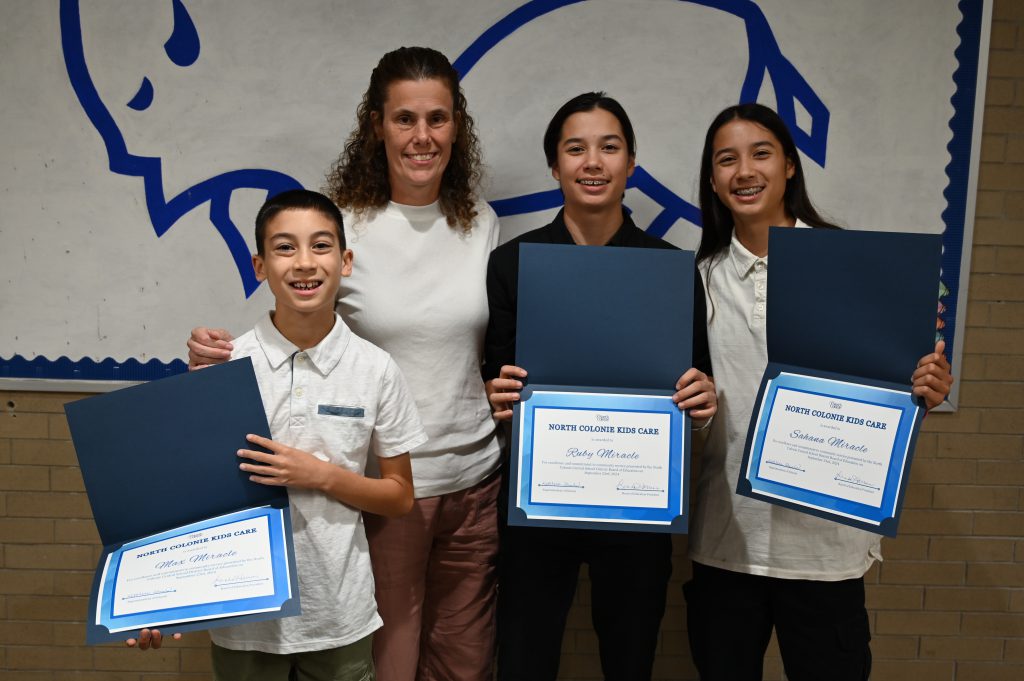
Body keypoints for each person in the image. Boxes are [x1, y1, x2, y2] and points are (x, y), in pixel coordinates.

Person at [188, 47, 502, 681]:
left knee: (466, 657)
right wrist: (211, 357)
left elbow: (473, 342)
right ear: (376, 126)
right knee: (389, 650)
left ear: (456, 128)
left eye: (438, 119)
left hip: (476, 475)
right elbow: (297, 323)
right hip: (383, 485)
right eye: (404, 119)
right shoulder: (342, 225)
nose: (422, 136)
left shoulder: (481, 223)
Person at [682, 103, 954, 681]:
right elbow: (694, 411)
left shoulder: (855, 268)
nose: (744, 171)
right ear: (712, 180)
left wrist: (925, 388)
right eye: (726, 160)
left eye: (761, 153)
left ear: (789, 167)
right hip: (728, 538)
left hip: (827, 547)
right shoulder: (695, 279)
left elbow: (896, 387)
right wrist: (694, 410)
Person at [483, 92, 717, 681]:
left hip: (636, 505)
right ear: (554, 166)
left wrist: (701, 400)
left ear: (631, 164)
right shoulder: (513, 263)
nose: (593, 161)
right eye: (576, 148)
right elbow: (493, 370)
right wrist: (498, 394)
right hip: (538, 500)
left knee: (630, 659)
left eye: (609, 147)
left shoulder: (668, 267)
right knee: (523, 660)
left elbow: (696, 379)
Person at [186, 188, 426, 680]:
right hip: (244, 618)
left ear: (346, 260)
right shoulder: (225, 366)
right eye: (284, 247)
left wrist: (319, 474)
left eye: (320, 246)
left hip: (339, 614)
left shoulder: (376, 369)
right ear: (259, 265)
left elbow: (400, 497)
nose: (304, 264)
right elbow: (190, 499)